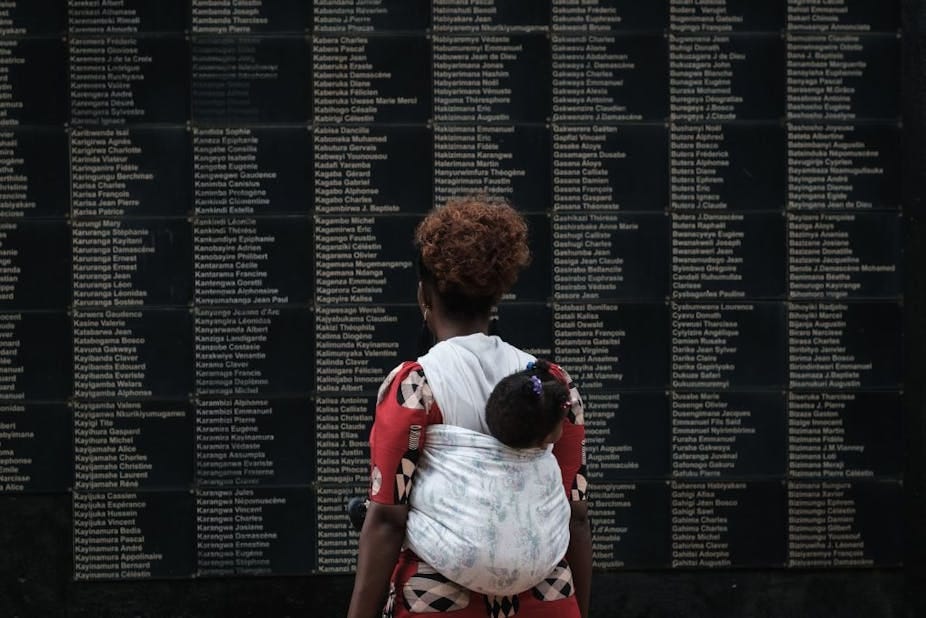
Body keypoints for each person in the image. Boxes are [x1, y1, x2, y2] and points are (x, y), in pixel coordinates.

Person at [347, 196, 591, 618]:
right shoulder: (554, 384)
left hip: (442, 603)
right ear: (497, 295)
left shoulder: (415, 387)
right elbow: (577, 515)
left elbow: (386, 521)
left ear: (424, 295)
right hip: (547, 600)